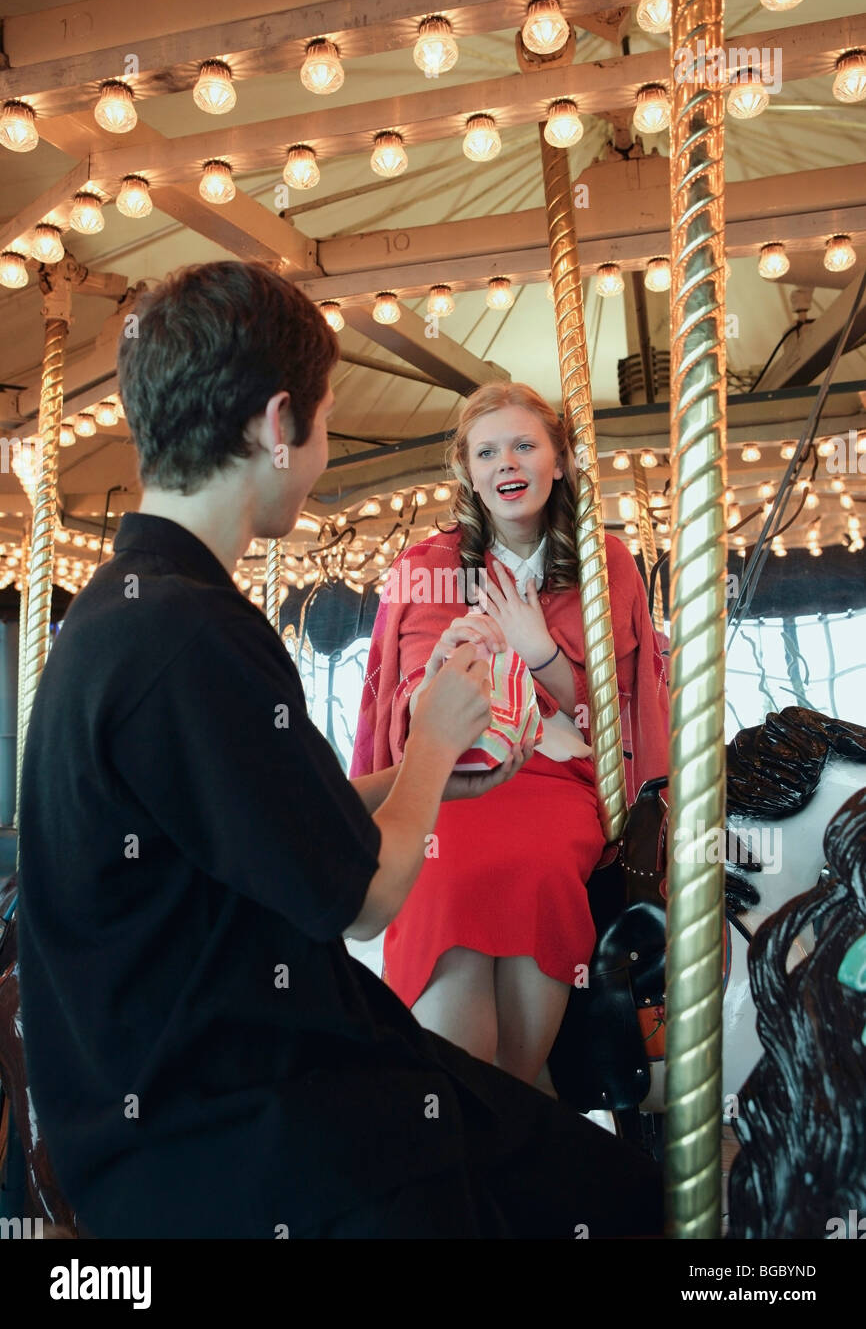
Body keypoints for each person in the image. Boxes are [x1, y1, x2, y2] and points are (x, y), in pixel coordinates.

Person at [18, 262, 661, 1239]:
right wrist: (439, 741)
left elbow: (273, 807)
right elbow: (364, 892)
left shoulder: (132, 613)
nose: (318, 448)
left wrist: (419, 776)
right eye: (321, 420)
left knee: (554, 1149)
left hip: (174, 1083)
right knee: (606, 1197)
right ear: (280, 424)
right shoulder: (195, 635)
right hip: (229, 1109)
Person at [351, 383, 669, 1091]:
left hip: (558, 782)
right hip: (452, 780)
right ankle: (476, 1091)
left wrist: (538, 650)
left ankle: (512, 1092)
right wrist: (442, 667)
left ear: (557, 460)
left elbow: (616, 704)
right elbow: (402, 700)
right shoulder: (428, 569)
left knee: (538, 865)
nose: (507, 463)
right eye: (487, 451)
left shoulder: (603, 562)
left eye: (525, 444)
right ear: (466, 470)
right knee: (444, 866)